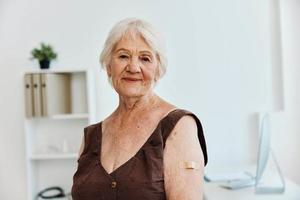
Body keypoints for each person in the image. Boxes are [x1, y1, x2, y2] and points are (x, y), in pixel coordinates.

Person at [71, 18, 208, 200]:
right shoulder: (91, 136)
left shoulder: (179, 127)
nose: (134, 67)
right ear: (109, 66)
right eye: (123, 56)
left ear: (158, 69)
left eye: (145, 58)